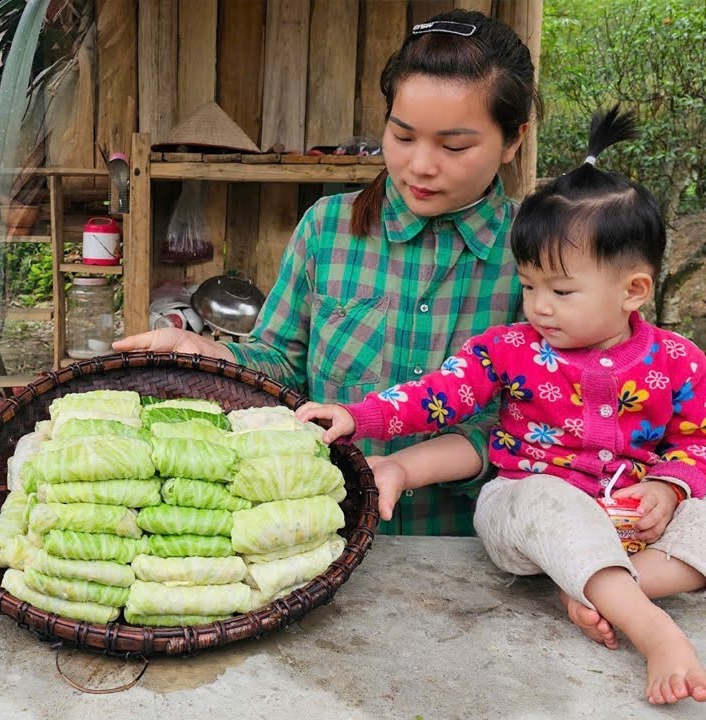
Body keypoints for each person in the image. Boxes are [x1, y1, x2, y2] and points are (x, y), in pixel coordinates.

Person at [297, 108, 706, 706]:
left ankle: (597, 586)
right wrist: (359, 417)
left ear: (633, 290)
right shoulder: (508, 351)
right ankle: (655, 632)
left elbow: (695, 443)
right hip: (522, 510)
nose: (538, 306)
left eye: (561, 291)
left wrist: (669, 490)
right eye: (529, 284)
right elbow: (433, 398)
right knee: (548, 500)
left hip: (629, 526)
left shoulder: (680, 361)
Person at [115, 9, 540, 536]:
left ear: (513, 140)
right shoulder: (328, 229)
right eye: (403, 136)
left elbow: (540, 422)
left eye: (454, 146)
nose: (420, 165)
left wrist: (414, 468)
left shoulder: (537, 255)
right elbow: (283, 366)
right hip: (324, 533)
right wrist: (213, 355)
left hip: (470, 552)